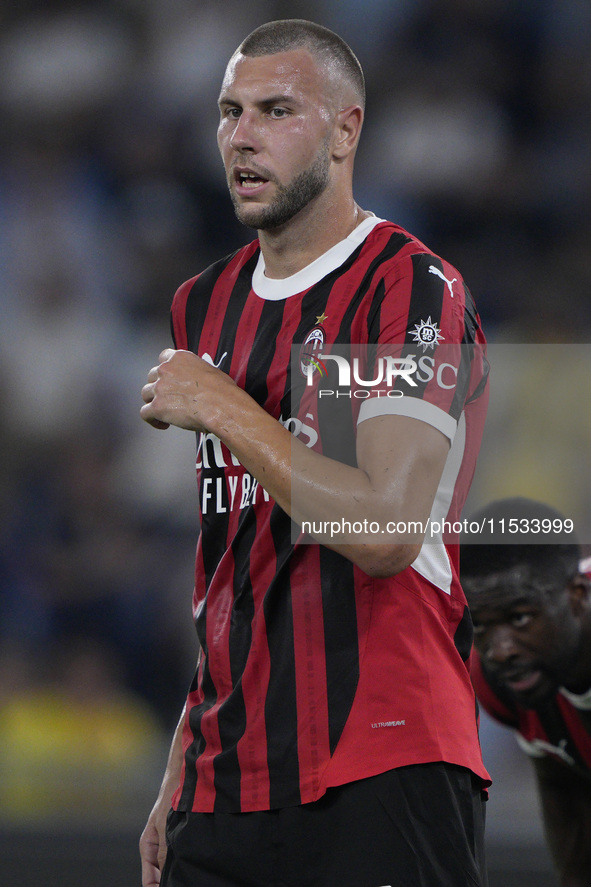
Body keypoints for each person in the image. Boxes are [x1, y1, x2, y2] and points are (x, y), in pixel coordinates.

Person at [139, 18, 490, 887]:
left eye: (276, 109)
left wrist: (224, 407)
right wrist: (188, 741)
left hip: (380, 760)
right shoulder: (204, 304)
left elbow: (380, 529)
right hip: (227, 775)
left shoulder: (401, 285)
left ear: (345, 130)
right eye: (228, 112)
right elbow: (238, 554)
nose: (241, 135)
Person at [460, 497, 591, 887]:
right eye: (479, 625)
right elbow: (566, 797)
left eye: (520, 618)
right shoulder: (498, 682)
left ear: (577, 595)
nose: (501, 650)